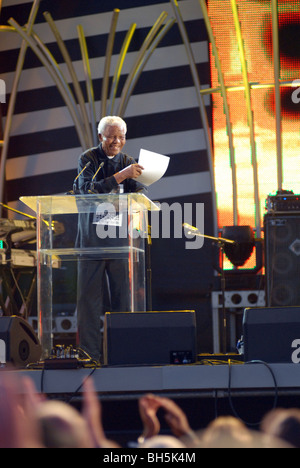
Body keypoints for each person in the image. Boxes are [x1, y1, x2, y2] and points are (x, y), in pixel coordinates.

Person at [76, 116, 145, 363]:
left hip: (120, 241)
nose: (116, 141)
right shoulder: (88, 158)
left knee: (123, 301)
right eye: (111, 136)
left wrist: (140, 187)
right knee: (89, 303)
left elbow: (139, 193)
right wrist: (120, 176)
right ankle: (90, 356)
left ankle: (124, 355)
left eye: (121, 137)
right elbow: (86, 190)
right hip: (91, 242)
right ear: (100, 137)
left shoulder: (128, 161)